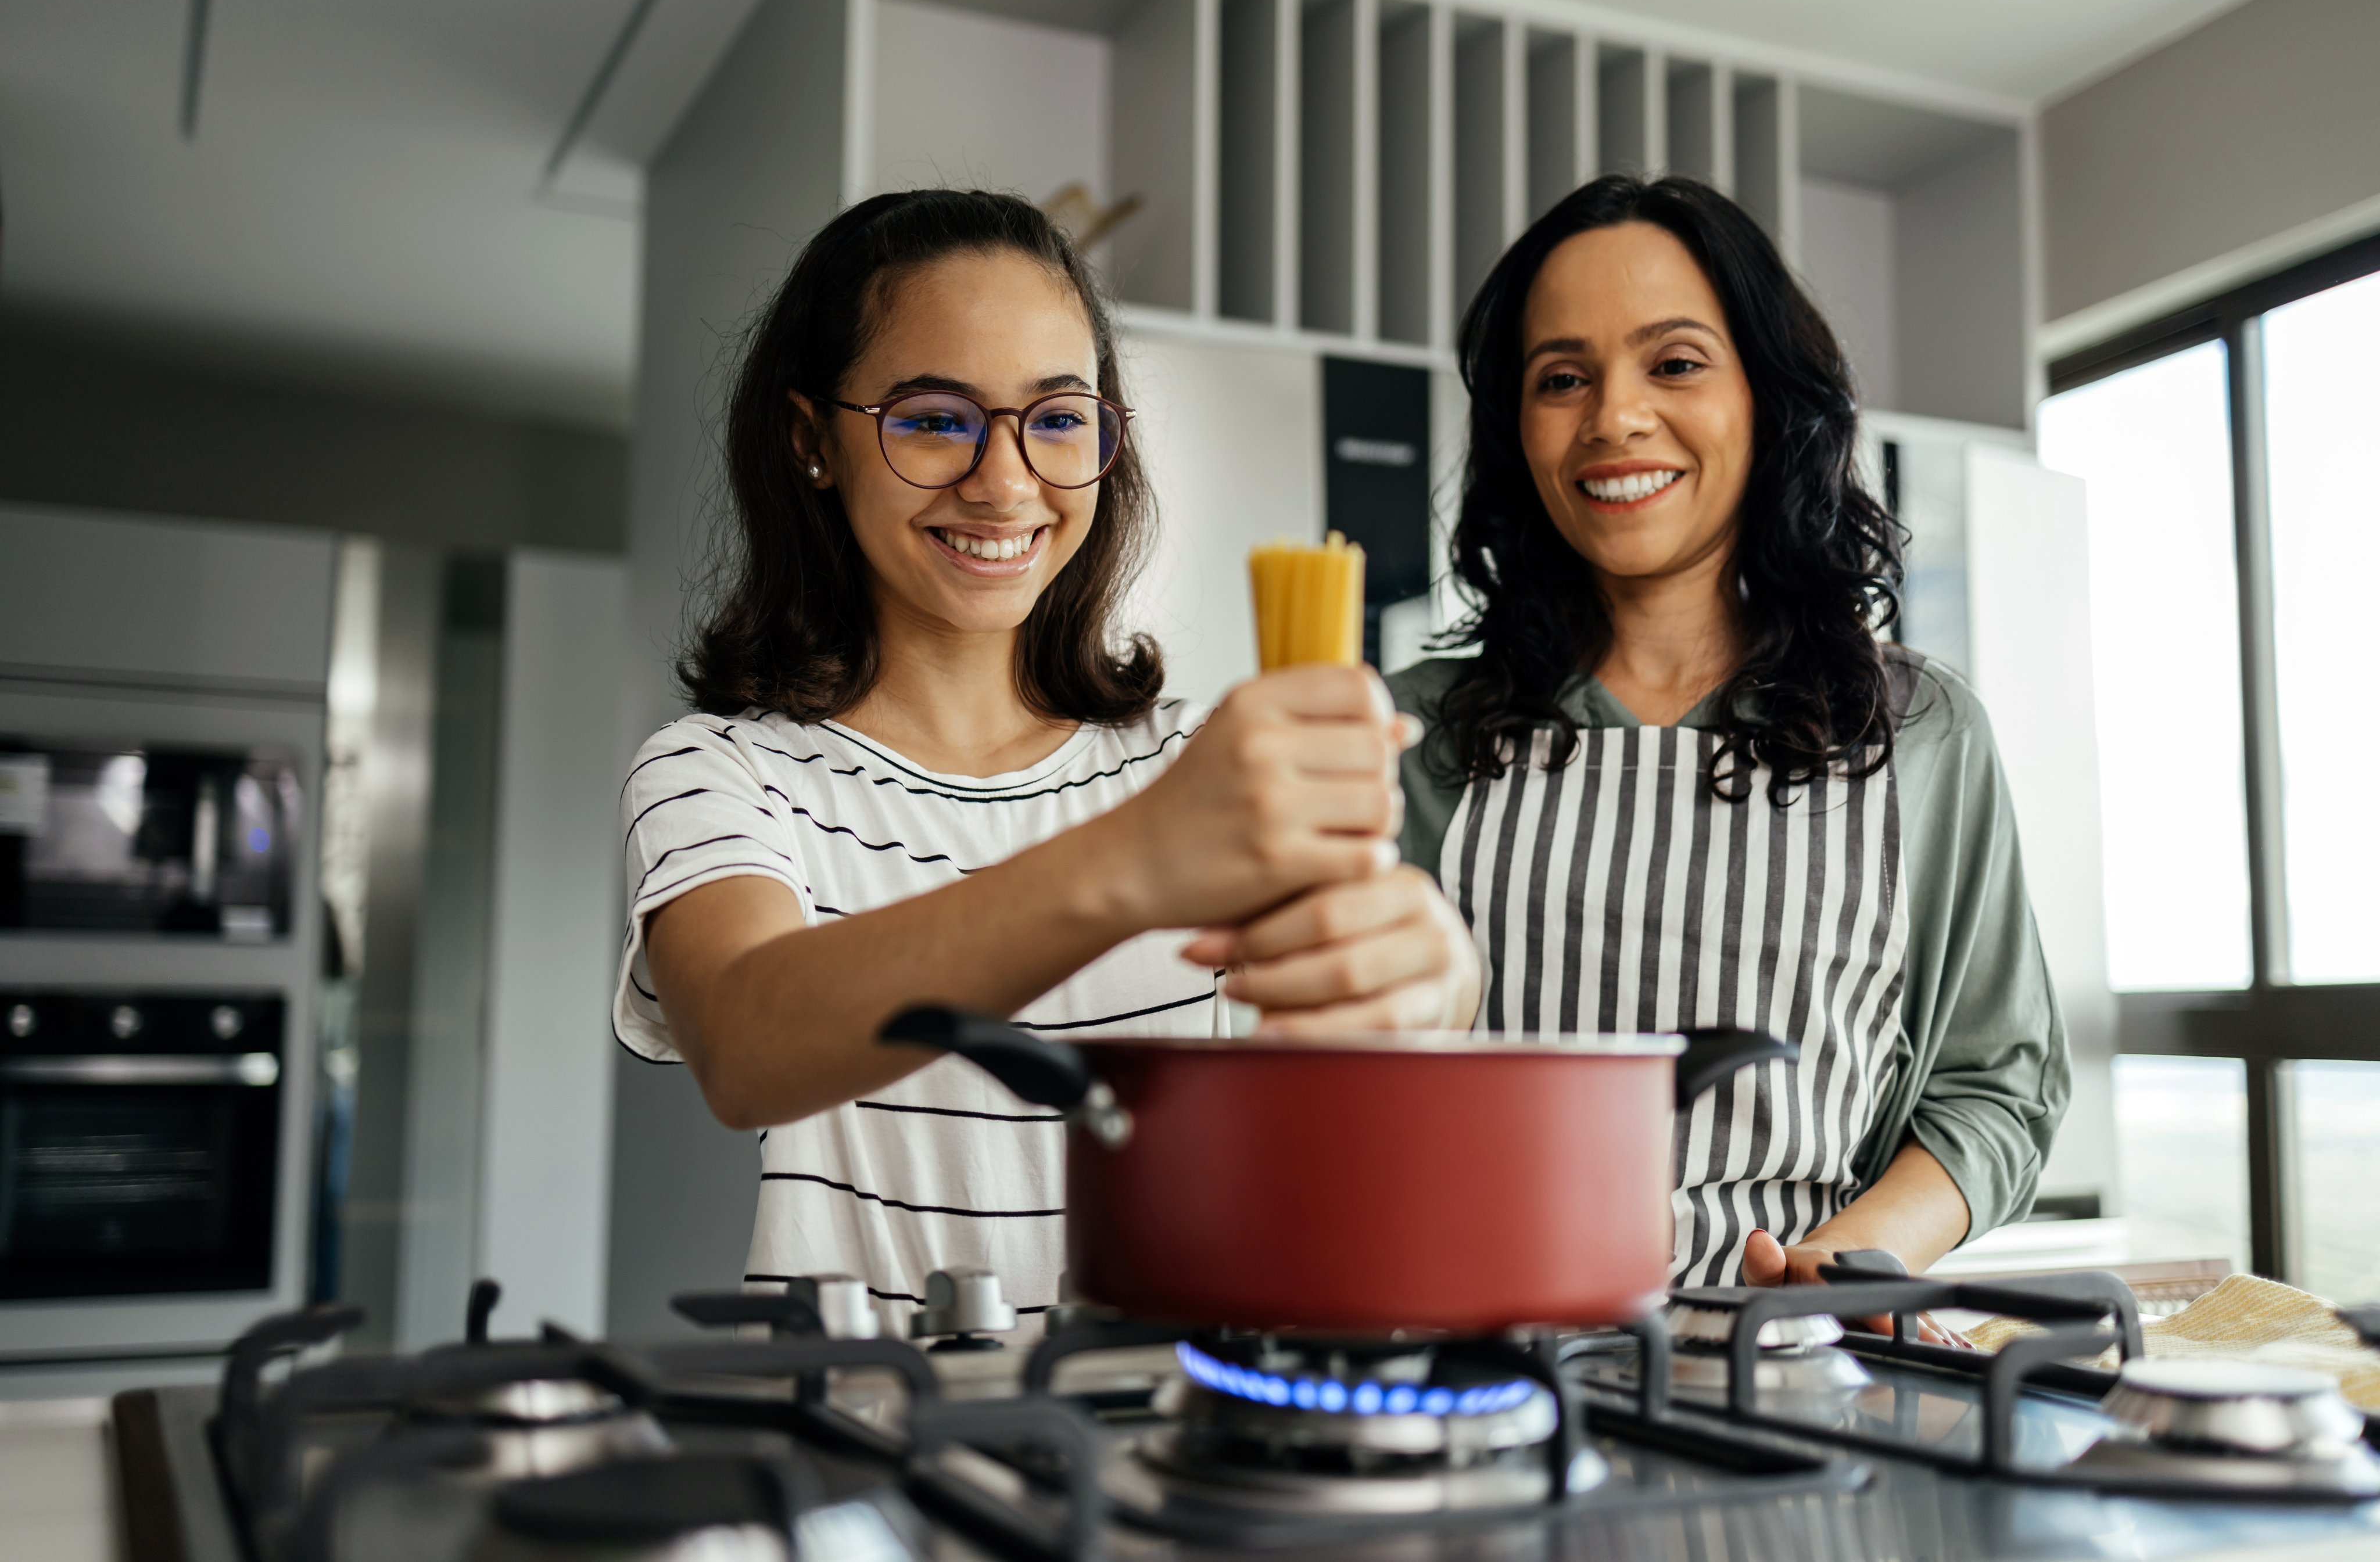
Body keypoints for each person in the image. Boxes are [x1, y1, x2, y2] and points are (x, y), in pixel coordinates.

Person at [617, 189, 1478, 1337]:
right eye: (933, 418)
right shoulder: (720, 771)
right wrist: (1131, 859)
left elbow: (1346, 1113)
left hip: (1176, 1439)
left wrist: (1437, 989)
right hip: (864, 1449)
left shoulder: (1189, 764)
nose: (1005, 481)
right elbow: (744, 1039)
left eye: (1057, 418)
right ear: (809, 440)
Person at [1390, 175, 2068, 1309]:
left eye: (1674, 362)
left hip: (1789, 1366)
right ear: (1516, 429)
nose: (1613, 417)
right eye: (1561, 378)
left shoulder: (1919, 734)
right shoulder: (1410, 737)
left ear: (1766, 397)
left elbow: (1992, 1083)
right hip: (1465, 1370)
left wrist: (1843, 1265)